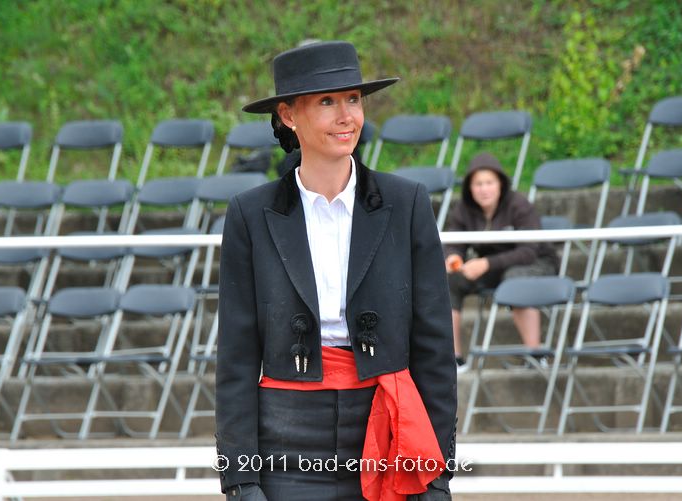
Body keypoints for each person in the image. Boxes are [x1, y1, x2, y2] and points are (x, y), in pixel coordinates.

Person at [216, 41, 457, 501]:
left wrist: (436, 473)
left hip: (387, 431)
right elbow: (236, 355)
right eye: (327, 101)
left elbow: (435, 349)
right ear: (288, 115)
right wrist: (241, 480)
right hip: (284, 441)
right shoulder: (248, 214)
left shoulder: (407, 203)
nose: (347, 116)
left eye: (353, 99)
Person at [444, 152, 559, 367]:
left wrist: (486, 263)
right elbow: (455, 241)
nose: (484, 189)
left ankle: (535, 356)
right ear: (470, 188)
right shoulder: (463, 210)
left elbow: (528, 251)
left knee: (514, 279)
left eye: (489, 182)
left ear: (500, 184)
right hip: (493, 268)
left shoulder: (519, 205)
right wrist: (453, 257)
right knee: (449, 281)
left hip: (535, 263)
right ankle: (453, 360)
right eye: (478, 184)